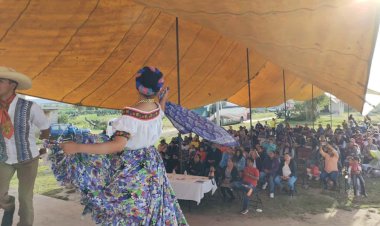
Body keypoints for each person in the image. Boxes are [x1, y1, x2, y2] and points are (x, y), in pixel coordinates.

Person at [61, 67, 188, 225]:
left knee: (128, 210)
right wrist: (162, 99)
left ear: (138, 87)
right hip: (153, 165)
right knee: (150, 205)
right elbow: (161, 111)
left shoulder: (131, 115)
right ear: (158, 89)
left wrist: (78, 147)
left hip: (134, 168)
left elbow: (117, 146)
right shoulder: (155, 109)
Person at [0, 67, 50, 226]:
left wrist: (43, 145)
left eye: (0, 81)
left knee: (26, 198)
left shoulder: (30, 107)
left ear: (12, 85)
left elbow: (45, 127)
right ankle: (9, 206)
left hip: (28, 159)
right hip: (3, 158)